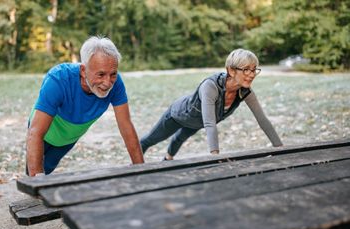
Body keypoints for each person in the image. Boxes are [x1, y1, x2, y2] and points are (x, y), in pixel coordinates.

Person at [26, 36, 144, 176]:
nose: (107, 83)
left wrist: (141, 170)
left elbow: (126, 125)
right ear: (83, 71)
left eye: (113, 74)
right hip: (43, 133)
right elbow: (35, 133)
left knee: (48, 167)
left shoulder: (116, 84)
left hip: (68, 137)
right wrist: (36, 182)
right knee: (33, 173)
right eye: (100, 74)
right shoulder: (58, 79)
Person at [140, 48, 283, 160]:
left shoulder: (245, 92)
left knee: (180, 138)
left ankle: (167, 159)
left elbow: (262, 120)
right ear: (231, 70)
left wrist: (281, 149)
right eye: (246, 69)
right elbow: (210, 123)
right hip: (178, 114)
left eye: (253, 70)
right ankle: (134, 165)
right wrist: (215, 156)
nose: (251, 74)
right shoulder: (211, 86)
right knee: (151, 139)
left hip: (197, 122)